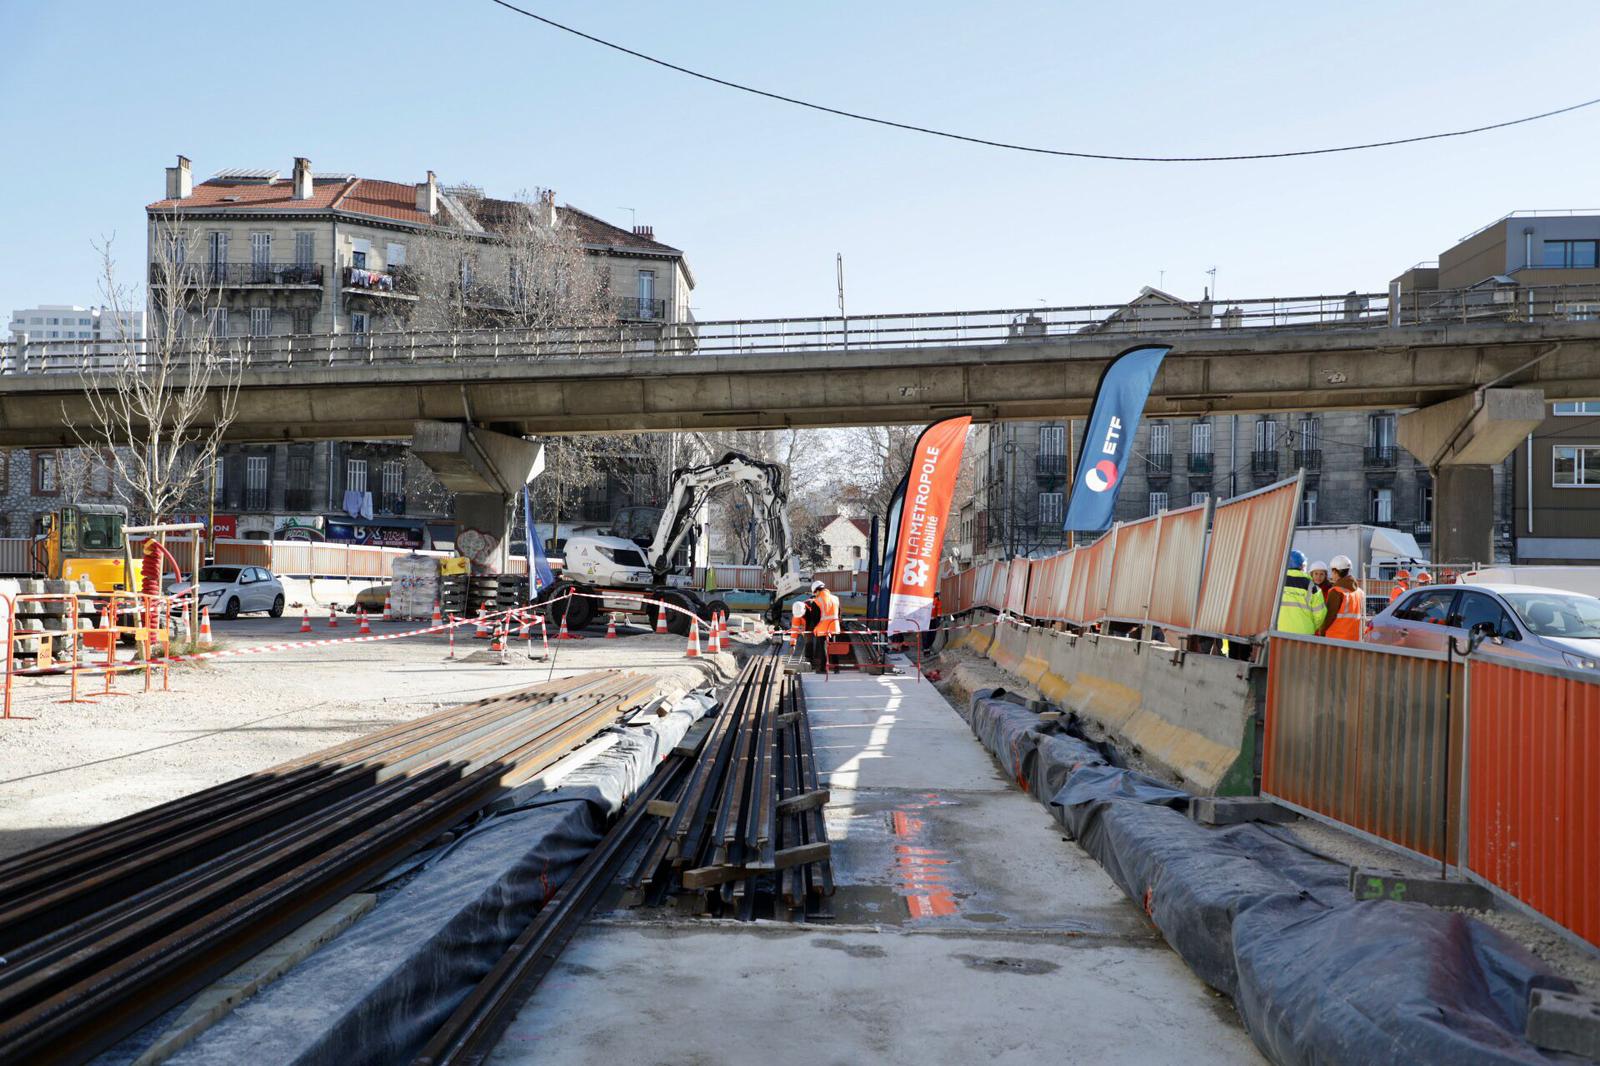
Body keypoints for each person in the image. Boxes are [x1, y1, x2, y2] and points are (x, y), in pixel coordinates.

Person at [1277, 549, 1327, 634]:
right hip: (1304, 634)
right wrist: (1310, 626)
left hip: (1279, 632)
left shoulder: (1277, 583)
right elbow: (1320, 615)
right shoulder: (1313, 587)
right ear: (1302, 566)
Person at [1320, 554, 1365, 641]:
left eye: (1332, 572)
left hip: (1336, 638)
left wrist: (1321, 632)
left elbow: (1329, 617)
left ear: (1335, 572)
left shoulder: (1336, 591)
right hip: (1354, 639)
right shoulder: (1359, 592)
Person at [809, 579, 841, 673]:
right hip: (834, 626)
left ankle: (823, 668)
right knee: (833, 647)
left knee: (822, 648)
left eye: (815, 592)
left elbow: (815, 618)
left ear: (817, 590)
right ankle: (836, 668)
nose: (815, 594)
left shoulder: (817, 601)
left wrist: (815, 627)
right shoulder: (835, 598)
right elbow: (839, 613)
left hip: (822, 627)